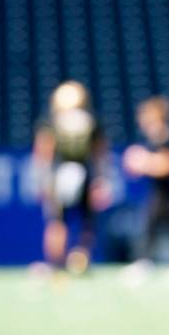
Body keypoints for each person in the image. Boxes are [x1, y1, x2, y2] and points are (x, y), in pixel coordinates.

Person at [32, 81, 111, 275]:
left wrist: (42, 181)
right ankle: (80, 258)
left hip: (59, 173)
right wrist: (101, 179)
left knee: (57, 221)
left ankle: (57, 264)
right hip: (85, 172)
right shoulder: (91, 120)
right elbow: (100, 153)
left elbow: (43, 153)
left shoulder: (51, 121)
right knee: (86, 221)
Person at [122, 97, 169, 273]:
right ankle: (146, 260)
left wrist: (143, 163)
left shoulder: (163, 136)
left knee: (164, 226)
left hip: (165, 192)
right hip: (158, 191)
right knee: (156, 226)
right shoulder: (155, 137)